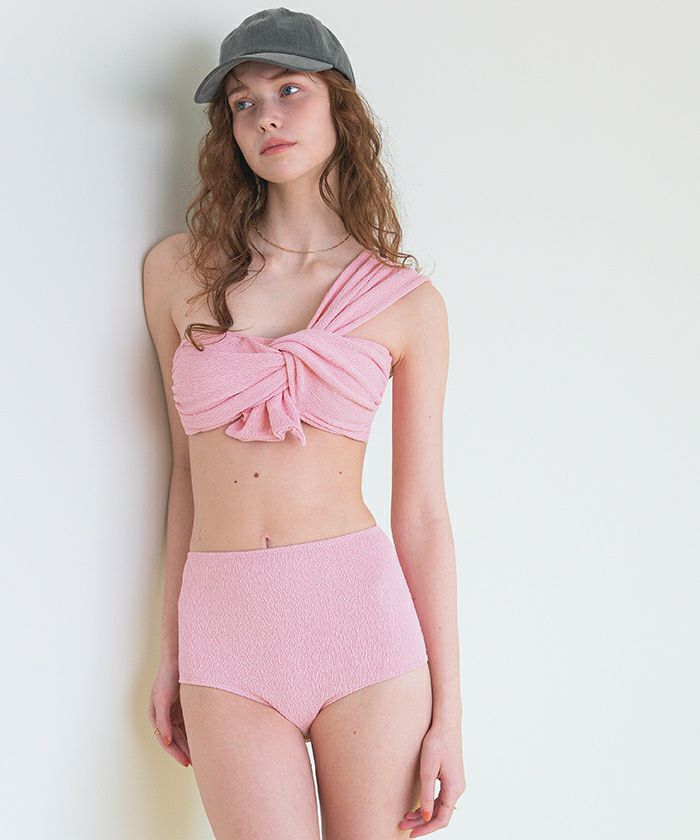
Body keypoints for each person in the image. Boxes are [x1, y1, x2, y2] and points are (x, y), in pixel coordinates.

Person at [143, 8, 465, 838]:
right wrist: (170, 648)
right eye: (243, 102)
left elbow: (423, 514)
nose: (267, 116)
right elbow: (185, 475)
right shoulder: (178, 271)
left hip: (364, 630)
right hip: (225, 632)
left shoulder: (407, 304)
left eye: (289, 90)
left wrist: (450, 716)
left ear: (339, 110)